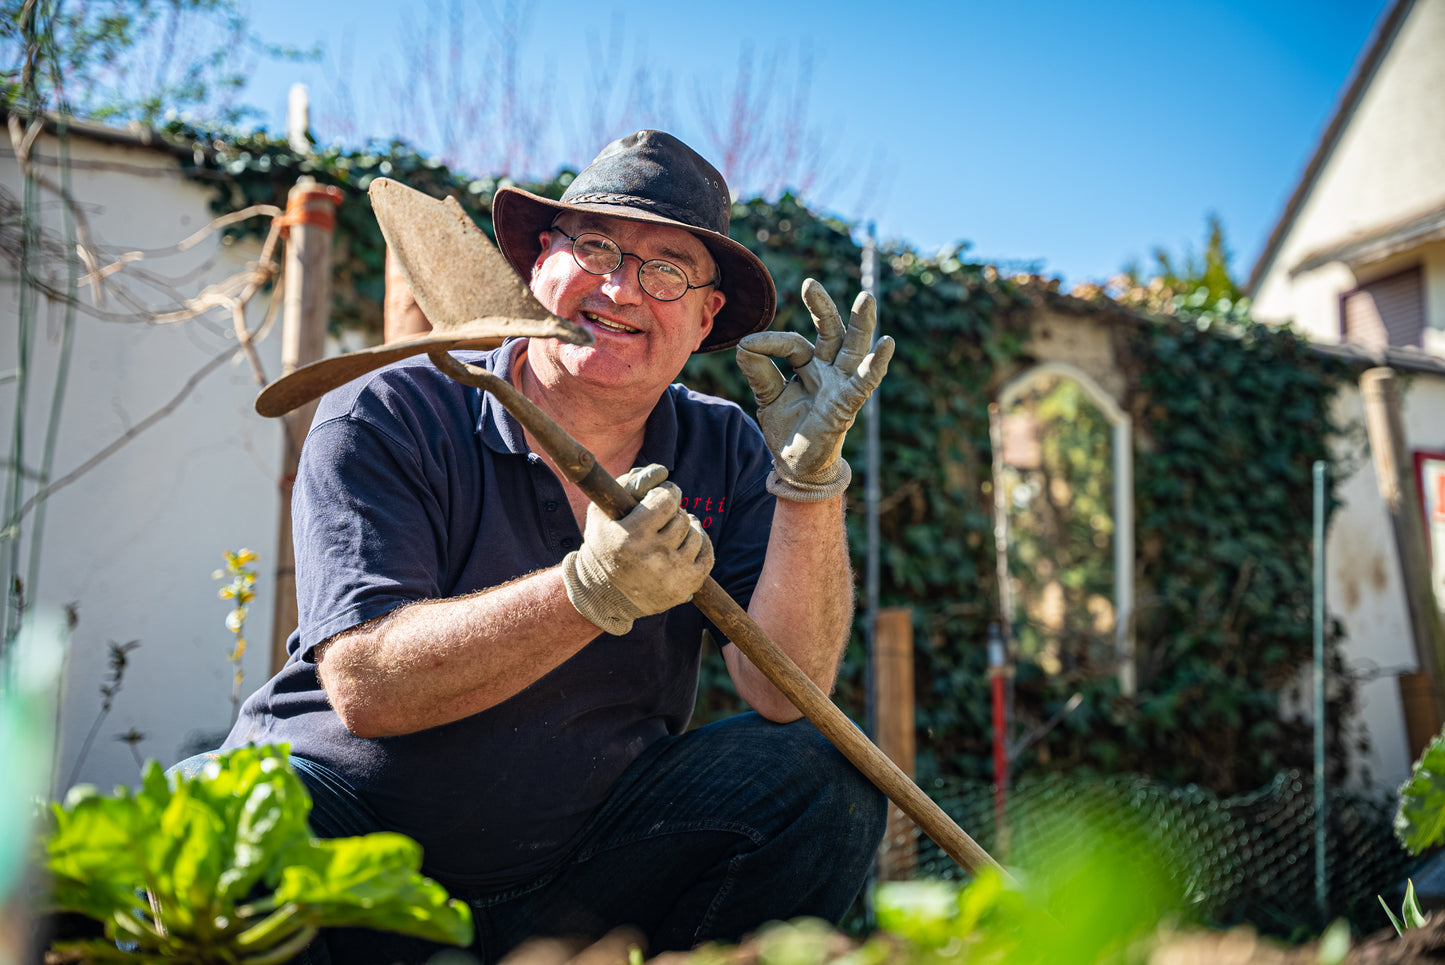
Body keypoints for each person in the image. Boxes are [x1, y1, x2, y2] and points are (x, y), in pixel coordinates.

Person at [215, 130, 895, 964]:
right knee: (229, 818)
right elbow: (365, 687)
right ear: (540, 261)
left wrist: (807, 486)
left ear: (706, 315)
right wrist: (588, 592)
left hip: (578, 878)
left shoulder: (721, 446)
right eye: (596, 245)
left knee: (818, 772)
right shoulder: (389, 411)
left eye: (667, 268)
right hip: (349, 844)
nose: (620, 288)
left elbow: (784, 690)